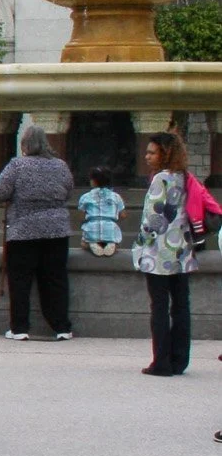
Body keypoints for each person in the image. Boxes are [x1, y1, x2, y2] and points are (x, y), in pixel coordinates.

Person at [0, 121, 75, 342]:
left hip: (23, 230)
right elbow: (68, 191)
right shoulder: (60, 165)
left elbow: (0, 192)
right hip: (57, 230)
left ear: (25, 145)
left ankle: (19, 328)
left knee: (20, 281)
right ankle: (61, 326)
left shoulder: (16, 166)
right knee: (56, 279)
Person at [134, 130, 197, 376]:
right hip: (182, 250)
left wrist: (139, 245)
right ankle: (180, 359)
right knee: (181, 305)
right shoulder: (185, 177)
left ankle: (161, 361)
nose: (147, 156)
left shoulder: (160, 178)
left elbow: (153, 218)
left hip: (159, 252)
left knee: (159, 306)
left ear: (164, 154)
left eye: (152, 152)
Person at [79, 167, 127, 257]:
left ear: (93, 181)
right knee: (117, 241)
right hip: (110, 228)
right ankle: (112, 245)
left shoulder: (85, 197)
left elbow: (81, 217)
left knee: (83, 243)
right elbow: (123, 215)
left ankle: (91, 244)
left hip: (92, 227)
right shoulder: (116, 196)